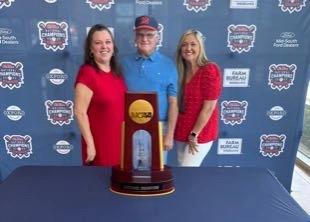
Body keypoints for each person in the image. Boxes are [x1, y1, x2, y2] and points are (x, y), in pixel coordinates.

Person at [121, 15, 178, 164]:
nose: (144, 39)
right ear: (135, 38)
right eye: (140, 35)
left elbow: (173, 102)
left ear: (157, 38)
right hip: (130, 127)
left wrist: (170, 134)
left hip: (159, 128)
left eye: (149, 35)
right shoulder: (123, 64)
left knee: (156, 171)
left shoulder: (169, 65)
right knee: (131, 169)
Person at [74, 24, 126, 166]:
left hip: (119, 142)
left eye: (108, 42)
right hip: (99, 144)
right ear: (90, 49)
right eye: (98, 43)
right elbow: (80, 112)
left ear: (113, 47)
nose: (104, 46)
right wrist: (90, 145)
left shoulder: (117, 74)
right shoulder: (87, 73)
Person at [174, 29, 222, 167]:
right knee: (183, 169)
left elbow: (209, 108)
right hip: (182, 130)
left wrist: (194, 134)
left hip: (199, 133)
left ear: (200, 47)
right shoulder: (180, 71)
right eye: (184, 45)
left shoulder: (209, 70)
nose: (188, 48)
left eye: (193, 44)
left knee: (187, 171)